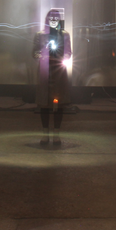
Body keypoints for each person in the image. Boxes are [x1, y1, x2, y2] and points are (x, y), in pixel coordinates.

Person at [33, 8, 71, 145]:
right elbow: (34, 52)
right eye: (51, 18)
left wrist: (61, 58)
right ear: (47, 20)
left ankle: (56, 134)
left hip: (59, 73)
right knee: (44, 105)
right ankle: (45, 134)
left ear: (60, 20)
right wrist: (43, 55)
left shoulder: (65, 35)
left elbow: (68, 52)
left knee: (58, 105)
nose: (54, 20)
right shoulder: (40, 35)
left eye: (56, 18)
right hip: (45, 73)